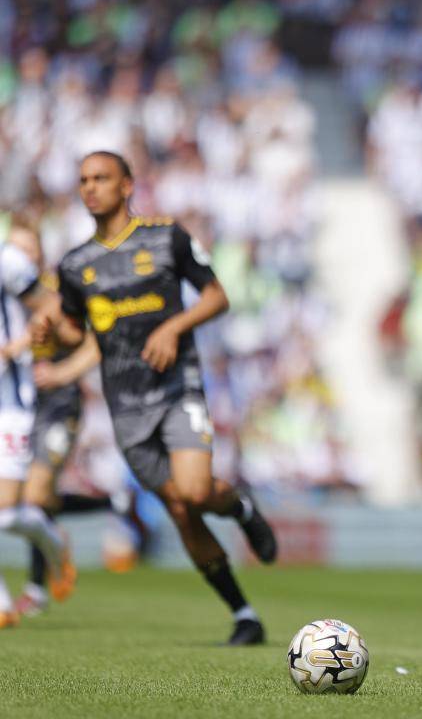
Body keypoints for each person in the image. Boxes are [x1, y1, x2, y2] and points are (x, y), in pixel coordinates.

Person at [31, 151, 277, 645]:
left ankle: (242, 510)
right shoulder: (75, 264)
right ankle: (244, 615)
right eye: (84, 180)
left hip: (177, 388)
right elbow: (83, 334)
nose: (90, 187)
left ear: (127, 186)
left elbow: (216, 296)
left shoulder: (166, 237)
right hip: (126, 408)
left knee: (196, 491)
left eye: (101, 178)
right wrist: (51, 334)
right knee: (181, 510)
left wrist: (173, 327)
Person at [0, 219, 75, 629]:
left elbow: (53, 310)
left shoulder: (9, 263)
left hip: (12, 405)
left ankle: (52, 540)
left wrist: (20, 344)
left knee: (9, 512)